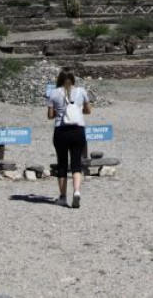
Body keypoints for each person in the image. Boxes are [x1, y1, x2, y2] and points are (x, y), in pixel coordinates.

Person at [46, 69, 92, 208]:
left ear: (59, 80)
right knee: (77, 164)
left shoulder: (53, 93)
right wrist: (78, 110)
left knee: (62, 164)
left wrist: (60, 111)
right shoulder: (81, 91)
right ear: (73, 80)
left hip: (61, 131)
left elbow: (49, 115)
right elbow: (88, 111)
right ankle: (77, 192)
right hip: (78, 130)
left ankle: (63, 197)